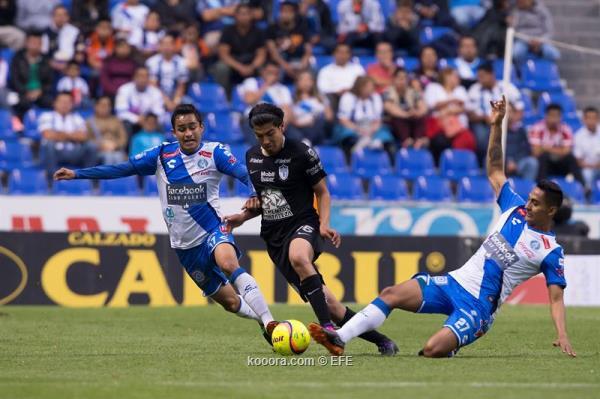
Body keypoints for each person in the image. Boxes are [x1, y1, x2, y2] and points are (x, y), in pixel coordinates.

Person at [309, 96, 576, 359]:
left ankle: (455, 341)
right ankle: (340, 338)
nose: (528, 205)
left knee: (431, 351)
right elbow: (495, 170)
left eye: (536, 204)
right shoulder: (513, 208)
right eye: (529, 199)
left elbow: (555, 299)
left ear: (551, 211)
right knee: (391, 294)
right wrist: (496, 125)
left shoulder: (550, 251)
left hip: (478, 307)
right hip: (453, 282)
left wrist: (562, 333)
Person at [53, 103, 279, 345]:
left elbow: (244, 173)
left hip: (213, 229)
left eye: (192, 127)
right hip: (185, 247)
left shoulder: (215, 153)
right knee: (231, 302)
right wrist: (78, 174)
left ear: (201, 127)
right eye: (181, 129)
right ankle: (262, 322)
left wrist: (255, 193)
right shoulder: (161, 155)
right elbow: (122, 169)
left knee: (227, 263)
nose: (188, 133)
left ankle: (270, 322)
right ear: (174, 133)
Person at [224, 103, 399, 356]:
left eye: (270, 133)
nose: (266, 140)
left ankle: (328, 330)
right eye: (259, 135)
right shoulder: (252, 157)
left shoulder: (302, 153)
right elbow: (270, 199)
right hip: (274, 237)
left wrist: (324, 224)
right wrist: (243, 216)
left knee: (299, 256)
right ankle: (383, 341)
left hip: (304, 223)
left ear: (282, 126)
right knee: (332, 305)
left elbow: (323, 192)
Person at [213, 3, 266, 95]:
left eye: (246, 14)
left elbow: (261, 55)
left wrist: (251, 67)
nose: (244, 17)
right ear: (235, 16)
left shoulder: (258, 32)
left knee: (265, 68)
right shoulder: (228, 31)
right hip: (233, 64)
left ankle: (261, 96)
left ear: (251, 15)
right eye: (241, 14)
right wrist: (240, 67)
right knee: (221, 68)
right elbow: (224, 55)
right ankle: (224, 97)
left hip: (251, 63)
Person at [40, 92, 97, 177]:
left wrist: (61, 134)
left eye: (68, 102)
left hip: (75, 152)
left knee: (91, 146)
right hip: (56, 152)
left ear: (72, 104)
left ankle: (89, 179)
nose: (65, 105)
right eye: (62, 102)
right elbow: (47, 135)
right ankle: (52, 179)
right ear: (55, 103)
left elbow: (83, 136)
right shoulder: (47, 116)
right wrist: (72, 135)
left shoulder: (77, 117)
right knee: (49, 144)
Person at [334, 75, 394, 154]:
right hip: (353, 126)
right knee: (347, 135)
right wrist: (358, 129)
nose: (372, 89)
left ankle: (373, 143)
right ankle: (353, 153)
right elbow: (343, 119)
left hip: (371, 128)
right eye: (369, 87)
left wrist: (372, 130)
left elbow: (378, 119)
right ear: (361, 87)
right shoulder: (348, 97)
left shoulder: (375, 97)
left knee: (385, 135)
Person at [529, 104, 585, 187]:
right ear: (546, 116)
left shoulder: (565, 129)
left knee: (571, 158)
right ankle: (541, 187)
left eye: (557, 116)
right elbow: (536, 152)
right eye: (552, 116)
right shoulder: (537, 128)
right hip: (544, 166)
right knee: (543, 157)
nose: (554, 119)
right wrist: (558, 149)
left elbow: (566, 151)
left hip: (560, 164)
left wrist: (545, 147)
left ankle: (583, 187)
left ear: (560, 117)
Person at [9, 30, 54, 119]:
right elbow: (14, 79)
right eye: (33, 42)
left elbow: (49, 81)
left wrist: (40, 91)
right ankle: (19, 128)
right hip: (22, 92)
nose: (35, 46)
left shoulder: (46, 60)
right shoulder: (18, 58)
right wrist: (26, 91)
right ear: (26, 43)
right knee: (19, 103)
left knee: (51, 102)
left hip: (41, 93)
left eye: (38, 43)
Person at [266, 0, 312, 83]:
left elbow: (308, 50)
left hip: (298, 61)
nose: (285, 14)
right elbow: (273, 53)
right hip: (280, 63)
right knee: (272, 70)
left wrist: (303, 64)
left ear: (294, 13)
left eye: (289, 11)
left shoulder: (302, 28)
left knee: (311, 67)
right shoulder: (272, 28)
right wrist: (286, 66)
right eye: (283, 11)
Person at [383, 68, 428, 148]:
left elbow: (423, 107)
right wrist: (406, 114)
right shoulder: (388, 91)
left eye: (404, 78)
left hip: (410, 119)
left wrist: (417, 112)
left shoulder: (413, 92)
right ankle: (406, 140)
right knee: (397, 118)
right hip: (396, 123)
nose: (402, 81)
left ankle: (418, 140)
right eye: (400, 78)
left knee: (421, 117)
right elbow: (389, 107)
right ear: (394, 79)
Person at [114, 66, 165, 135]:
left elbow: (159, 112)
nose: (143, 79)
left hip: (150, 122)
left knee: (161, 124)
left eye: (146, 76)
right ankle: (127, 146)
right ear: (134, 77)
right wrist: (137, 119)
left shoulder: (155, 92)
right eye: (140, 76)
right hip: (132, 123)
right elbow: (121, 112)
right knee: (125, 124)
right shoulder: (124, 89)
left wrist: (149, 120)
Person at [288, 70, 333, 146]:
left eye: (309, 80)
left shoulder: (321, 98)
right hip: (299, 128)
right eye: (303, 80)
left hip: (316, 128)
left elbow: (329, 117)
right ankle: (304, 142)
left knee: (321, 120)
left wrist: (313, 119)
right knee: (287, 126)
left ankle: (307, 141)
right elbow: (289, 118)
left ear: (313, 83)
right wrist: (300, 123)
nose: (306, 83)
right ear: (297, 83)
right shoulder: (290, 99)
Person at [146, 33, 189, 112]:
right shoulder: (152, 62)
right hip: (157, 96)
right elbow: (153, 85)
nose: (167, 47)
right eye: (164, 44)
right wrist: (167, 102)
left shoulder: (182, 62)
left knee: (189, 104)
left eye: (170, 44)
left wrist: (176, 102)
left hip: (176, 96)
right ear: (160, 46)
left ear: (174, 46)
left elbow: (181, 85)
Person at [86, 96, 128, 165]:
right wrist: (101, 145)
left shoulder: (116, 120)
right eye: (102, 105)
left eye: (108, 105)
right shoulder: (89, 122)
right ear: (96, 106)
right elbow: (87, 139)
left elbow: (123, 138)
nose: (105, 108)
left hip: (115, 149)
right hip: (99, 151)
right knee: (109, 157)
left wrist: (115, 145)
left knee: (118, 156)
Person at [574, 107, 600, 191]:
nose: (591, 121)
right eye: (589, 118)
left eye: (594, 118)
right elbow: (578, 160)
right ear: (584, 119)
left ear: (598, 119)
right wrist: (591, 166)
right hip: (586, 167)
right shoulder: (578, 136)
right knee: (586, 174)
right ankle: (588, 198)